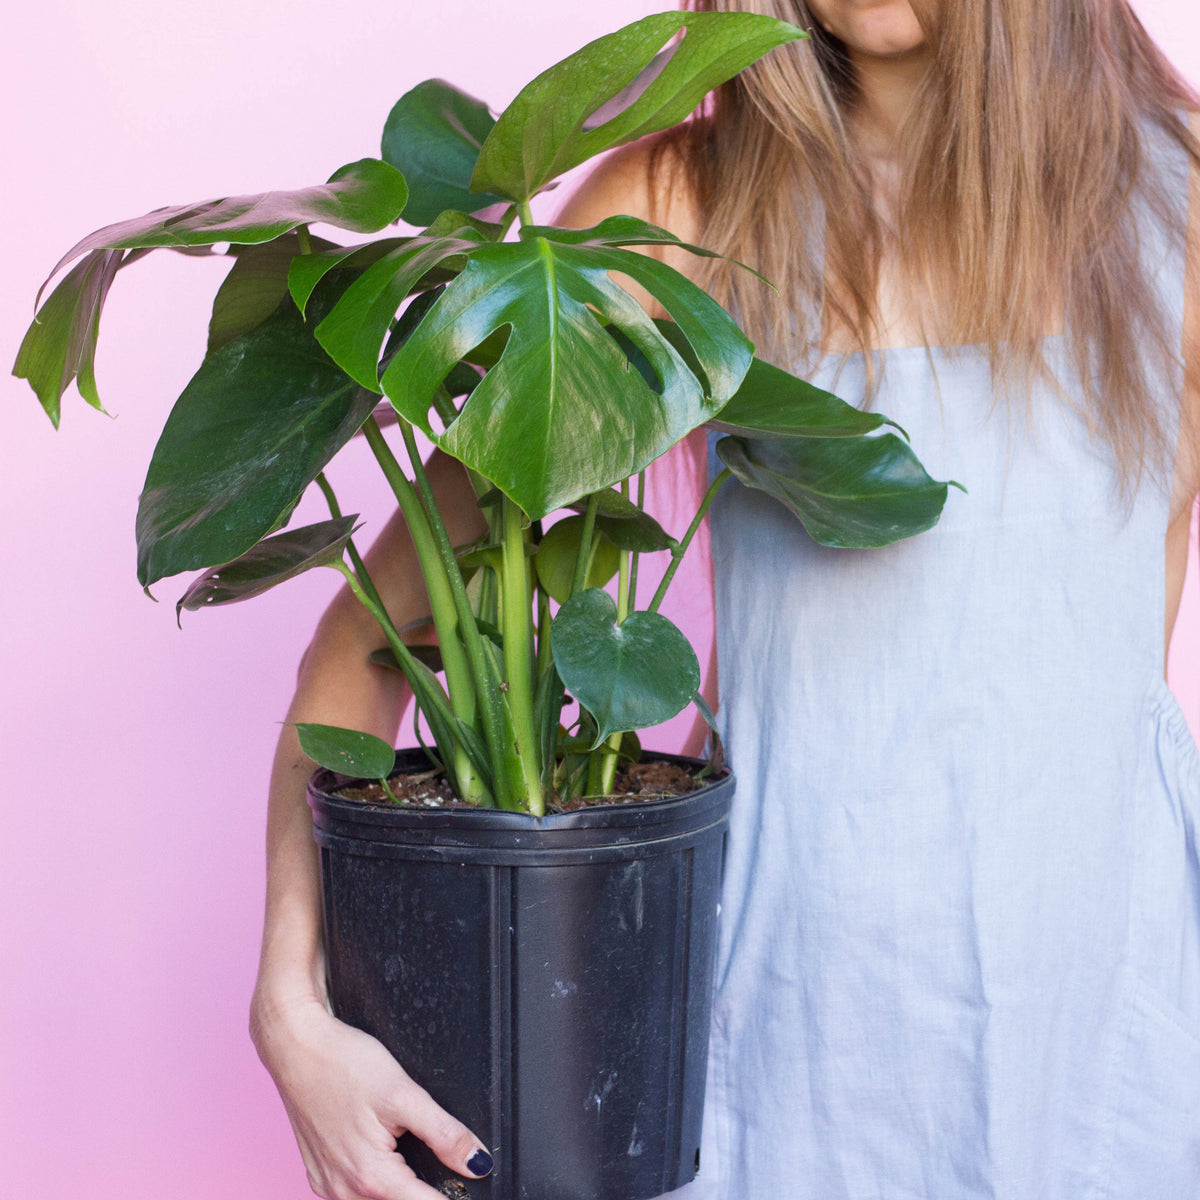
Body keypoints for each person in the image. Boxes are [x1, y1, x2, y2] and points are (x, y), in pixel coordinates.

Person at [249, 1, 1200, 1197]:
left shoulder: (1182, 206)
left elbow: (1103, 695)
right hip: (771, 1014)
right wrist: (290, 1004)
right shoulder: (675, 214)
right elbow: (379, 636)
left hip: (1103, 1025)